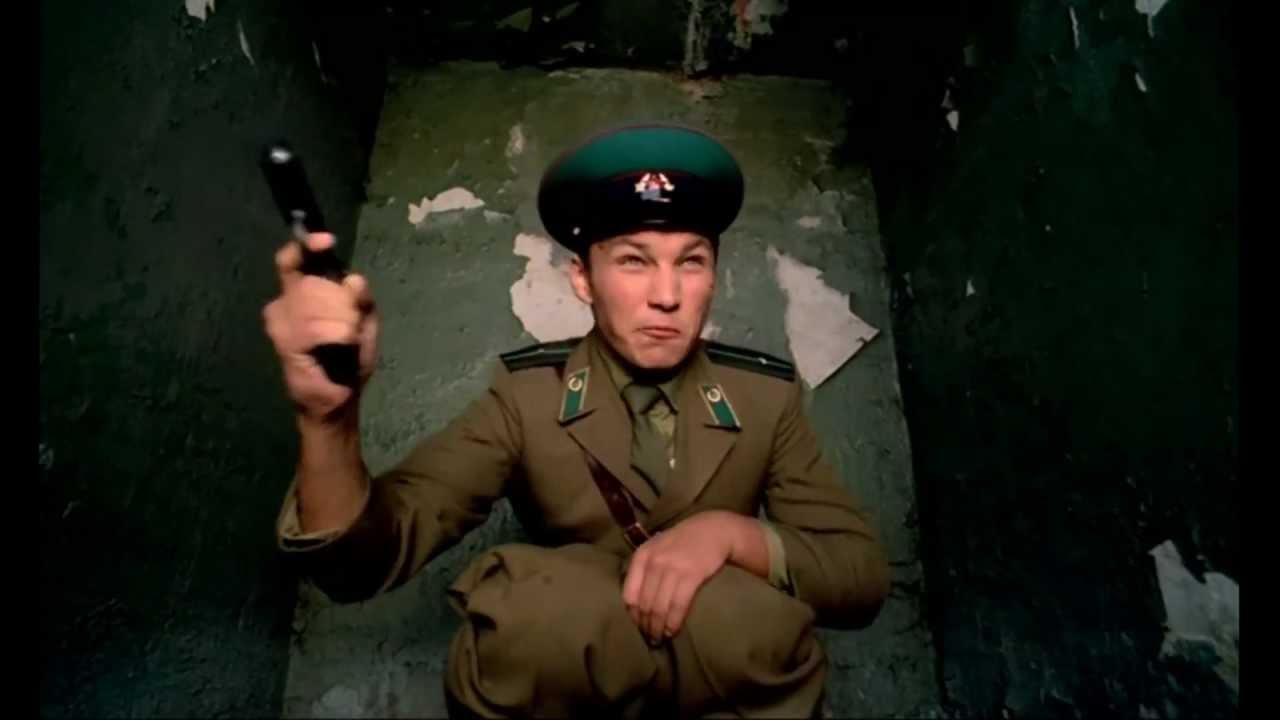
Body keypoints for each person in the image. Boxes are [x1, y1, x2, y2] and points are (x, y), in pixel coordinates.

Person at [262, 123, 891, 719]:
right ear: (583, 279)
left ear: (714, 277)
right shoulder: (527, 397)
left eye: (691, 262)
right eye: (634, 261)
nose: (667, 295)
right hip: (571, 692)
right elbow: (362, 564)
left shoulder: (763, 397)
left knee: (753, 625)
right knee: (533, 615)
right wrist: (329, 421)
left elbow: (859, 577)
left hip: (725, 691)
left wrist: (732, 537)